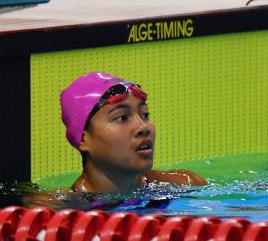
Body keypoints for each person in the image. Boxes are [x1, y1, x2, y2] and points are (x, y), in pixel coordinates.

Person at [60, 72, 206, 194]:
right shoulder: (60, 210)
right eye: (122, 118)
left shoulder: (186, 185)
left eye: (145, 115)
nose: (143, 127)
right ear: (83, 139)